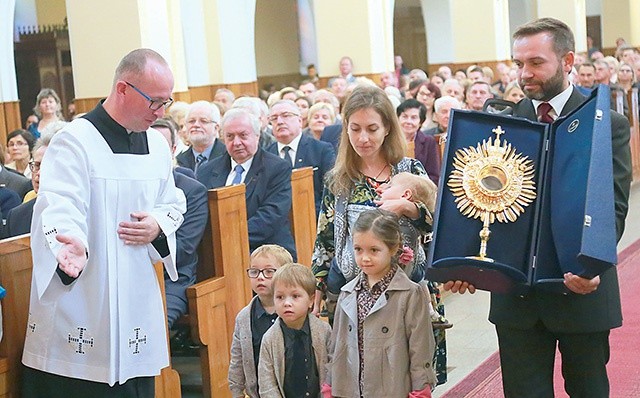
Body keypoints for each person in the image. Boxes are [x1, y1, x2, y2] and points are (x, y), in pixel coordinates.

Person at [445, 18, 631, 398]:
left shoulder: (605, 123)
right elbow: (480, 204)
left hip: (581, 287)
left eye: (535, 63)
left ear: (567, 61)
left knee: (589, 390)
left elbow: (613, 205)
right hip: (518, 297)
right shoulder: (503, 126)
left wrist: (592, 266)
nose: (524, 74)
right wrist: (463, 261)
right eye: (518, 64)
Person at [22, 48, 186, 397]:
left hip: (136, 293)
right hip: (85, 292)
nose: (160, 112)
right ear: (123, 89)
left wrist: (157, 223)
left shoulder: (157, 146)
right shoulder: (75, 139)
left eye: (165, 102)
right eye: (154, 102)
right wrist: (70, 244)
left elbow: (172, 201)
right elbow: (58, 203)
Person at [311, 84, 434, 318]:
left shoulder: (409, 170)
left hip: (409, 290)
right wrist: (317, 291)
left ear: (387, 128)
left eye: (372, 129)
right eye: (355, 129)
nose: (363, 138)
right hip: (356, 296)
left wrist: (407, 208)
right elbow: (325, 240)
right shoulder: (339, 179)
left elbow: (435, 227)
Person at [324, 209, 436, 397]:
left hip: (392, 387)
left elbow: (420, 347)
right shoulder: (347, 293)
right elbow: (337, 345)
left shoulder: (410, 294)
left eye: (374, 250)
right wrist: (330, 383)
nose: (365, 258)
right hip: (352, 388)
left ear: (393, 248)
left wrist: (420, 388)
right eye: (358, 249)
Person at [196, 108, 297, 258]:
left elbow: (271, 215)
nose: (236, 142)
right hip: (219, 252)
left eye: (243, 135)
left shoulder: (277, 167)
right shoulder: (206, 170)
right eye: (230, 137)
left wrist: (230, 239)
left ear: (257, 136)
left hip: (266, 251)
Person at [151, 117, 208, 329]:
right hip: (131, 275)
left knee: (154, 325)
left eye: (160, 147)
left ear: (173, 149)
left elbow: (184, 248)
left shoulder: (192, 190)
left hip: (173, 280)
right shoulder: (129, 186)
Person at [228, 245, 293, 398]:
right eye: (254, 271)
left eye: (269, 272)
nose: (260, 277)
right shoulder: (244, 318)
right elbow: (237, 359)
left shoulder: (294, 313)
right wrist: (236, 391)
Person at [257, 263, 331, 398]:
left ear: (311, 300)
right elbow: (267, 383)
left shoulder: (324, 331)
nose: (287, 303)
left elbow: (332, 368)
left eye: (295, 296)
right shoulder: (269, 339)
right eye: (280, 297)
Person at [267, 100, 336, 215]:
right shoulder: (267, 155)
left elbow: (330, 192)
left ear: (299, 121)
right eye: (274, 118)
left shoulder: (320, 150)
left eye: (286, 116)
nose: (279, 122)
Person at [1, 131, 53, 239]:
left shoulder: (87, 208)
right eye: (37, 166)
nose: (39, 174)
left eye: (47, 166)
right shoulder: (16, 217)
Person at [396, 99, 440, 185]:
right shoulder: (388, 139)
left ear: (421, 122)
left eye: (414, 118)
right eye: (404, 116)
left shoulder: (428, 141)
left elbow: (433, 176)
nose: (408, 122)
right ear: (398, 119)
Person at [175, 101, 226, 172]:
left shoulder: (227, 156)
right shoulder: (180, 161)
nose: (196, 125)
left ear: (216, 128)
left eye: (203, 121)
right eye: (191, 121)